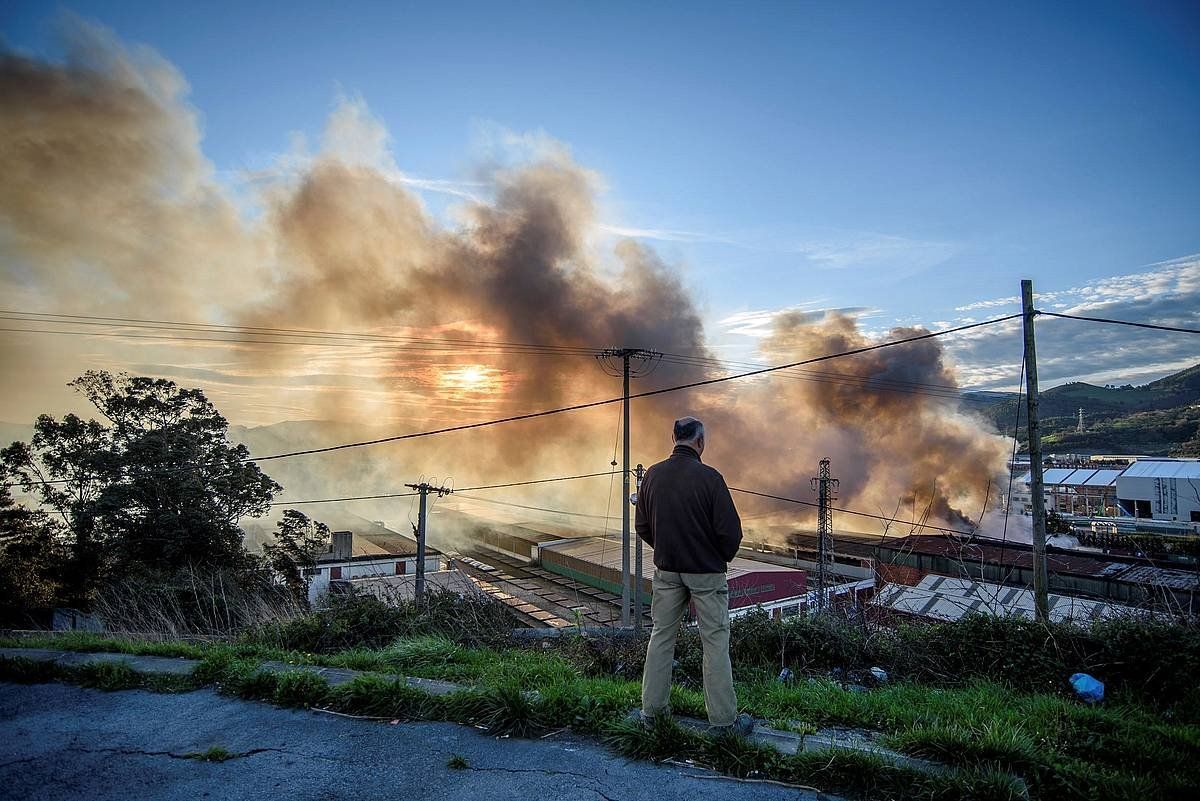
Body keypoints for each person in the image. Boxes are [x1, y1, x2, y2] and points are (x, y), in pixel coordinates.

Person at [631, 416, 753, 737]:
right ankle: (723, 723)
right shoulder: (710, 479)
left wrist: (668, 548)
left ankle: (652, 714)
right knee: (714, 643)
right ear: (700, 443)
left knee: (661, 638)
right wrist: (715, 556)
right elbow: (731, 534)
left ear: (673, 437)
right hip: (706, 574)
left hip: (667, 571)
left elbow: (642, 526)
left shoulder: (653, 476)